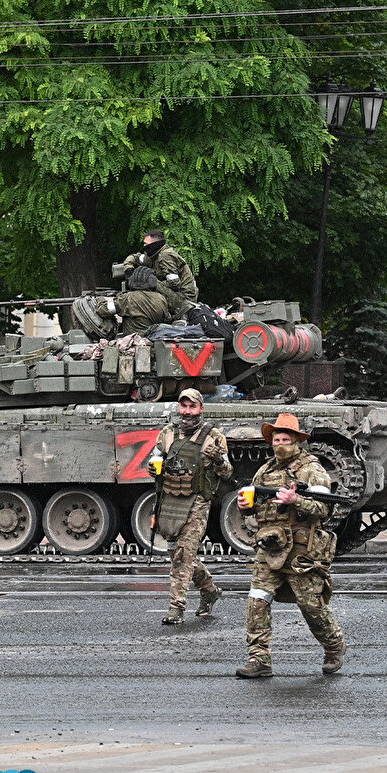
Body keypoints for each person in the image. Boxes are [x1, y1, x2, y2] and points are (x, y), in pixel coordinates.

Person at [235, 413, 345, 678]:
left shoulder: (312, 469)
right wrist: (246, 507)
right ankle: (259, 659)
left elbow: (324, 509)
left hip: (301, 549)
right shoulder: (265, 470)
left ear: (297, 441)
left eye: (285, 439)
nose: (280, 444)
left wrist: (296, 500)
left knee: (310, 606)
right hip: (270, 546)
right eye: (276, 439)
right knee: (257, 600)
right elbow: (257, 508)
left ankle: (334, 645)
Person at [146, 388, 231, 625]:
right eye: (184, 406)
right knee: (176, 552)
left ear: (201, 408)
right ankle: (210, 590)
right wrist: (152, 468)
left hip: (198, 501)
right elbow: (154, 460)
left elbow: (228, 473)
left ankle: (177, 608)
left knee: (183, 554)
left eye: (192, 406)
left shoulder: (214, 437)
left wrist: (217, 459)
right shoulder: (167, 434)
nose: (187, 411)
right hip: (170, 499)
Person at [121, 229, 198, 317]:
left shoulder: (166, 256)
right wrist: (128, 268)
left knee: (145, 279)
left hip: (184, 301)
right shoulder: (153, 255)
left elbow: (174, 284)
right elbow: (134, 257)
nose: (144, 246)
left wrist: (151, 282)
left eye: (146, 244)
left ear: (155, 244)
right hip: (175, 295)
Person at [94, 266, 172, 335]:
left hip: (132, 341)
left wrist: (100, 300)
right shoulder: (161, 298)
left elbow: (103, 311)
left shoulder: (127, 298)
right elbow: (167, 319)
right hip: (155, 340)